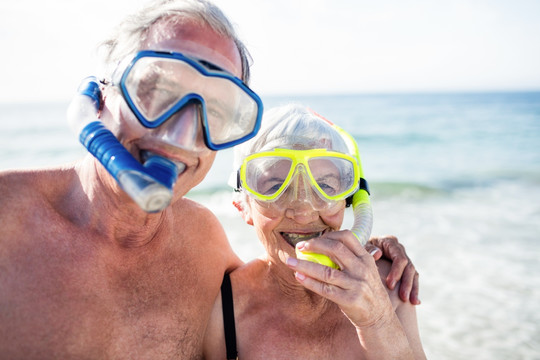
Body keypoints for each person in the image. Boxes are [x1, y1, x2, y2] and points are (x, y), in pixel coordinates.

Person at [0, 0, 418, 358]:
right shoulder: (7, 220)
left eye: (216, 110)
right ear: (99, 94)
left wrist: (379, 270)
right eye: (158, 89)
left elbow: (287, 272)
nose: (181, 134)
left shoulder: (202, 246)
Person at [203, 104, 426, 359]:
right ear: (243, 207)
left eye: (324, 186)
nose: (303, 212)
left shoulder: (388, 284)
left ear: (348, 200)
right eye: (276, 186)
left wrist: (377, 321)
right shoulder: (223, 310)